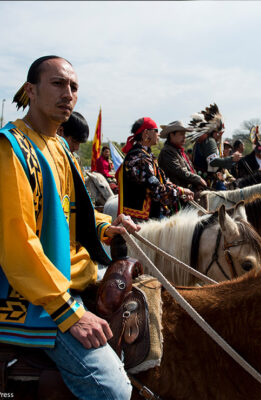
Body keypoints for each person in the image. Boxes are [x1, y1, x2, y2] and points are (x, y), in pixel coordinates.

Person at [0, 55, 141, 400]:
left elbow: (70, 213)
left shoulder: (61, 146)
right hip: (35, 295)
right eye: (58, 84)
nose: (68, 94)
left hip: (76, 274)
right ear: (31, 91)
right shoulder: (10, 148)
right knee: (114, 391)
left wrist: (107, 226)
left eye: (74, 87)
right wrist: (67, 313)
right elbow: (18, 241)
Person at [117, 117, 194, 222]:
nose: (158, 134)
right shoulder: (138, 158)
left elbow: (164, 180)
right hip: (139, 221)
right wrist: (181, 191)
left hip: (151, 216)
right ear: (146, 134)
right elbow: (156, 189)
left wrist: (182, 192)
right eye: (156, 131)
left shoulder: (147, 156)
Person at [189, 103, 241, 189]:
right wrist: (232, 158)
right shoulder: (210, 141)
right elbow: (213, 161)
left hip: (204, 182)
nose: (221, 135)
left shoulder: (204, 141)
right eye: (220, 132)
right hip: (208, 183)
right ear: (217, 132)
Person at [158, 120, 207, 191]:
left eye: (184, 134)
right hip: (176, 194)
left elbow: (190, 170)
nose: (184, 137)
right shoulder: (167, 151)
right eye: (181, 134)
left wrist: (197, 183)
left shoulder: (179, 152)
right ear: (172, 135)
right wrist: (197, 179)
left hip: (186, 191)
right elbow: (178, 170)